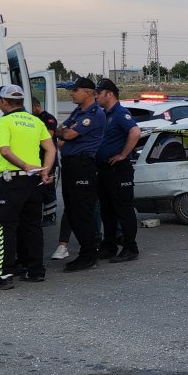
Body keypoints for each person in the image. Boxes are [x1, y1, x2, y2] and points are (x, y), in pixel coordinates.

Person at [0, 85, 56, 290]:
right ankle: (36, 270)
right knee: (32, 226)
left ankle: (3, 275)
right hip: (34, 181)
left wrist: (25, 165)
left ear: (5, 102)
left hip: (12, 180)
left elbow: (5, 151)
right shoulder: (35, 121)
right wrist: (45, 171)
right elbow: (50, 149)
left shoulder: (4, 121)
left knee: (4, 226)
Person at [57, 77, 106, 272]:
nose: (71, 93)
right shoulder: (79, 112)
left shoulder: (94, 114)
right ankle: (86, 252)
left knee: (82, 212)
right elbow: (62, 135)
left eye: (75, 90)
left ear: (88, 92)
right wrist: (64, 133)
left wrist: (64, 134)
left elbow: (66, 135)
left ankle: (89, 254)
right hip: (70, 165)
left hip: (83, 166)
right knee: (73, 211)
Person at [94, 78, 141, 262]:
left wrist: (123, 154)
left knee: (124, 210)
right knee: (107, 210)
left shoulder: (120, 113)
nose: (96, 96)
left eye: (99, 93)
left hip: (118, 169)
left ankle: (130, 247)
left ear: (109, 94)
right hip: (104, 169)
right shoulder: (104, 114)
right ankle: (109, 245)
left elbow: (135, 132)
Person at [32, 97, 60, 228]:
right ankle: (43, 215)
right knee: (39, 190)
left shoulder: (48, 118)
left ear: (36, 106)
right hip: (38, 159)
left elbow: (47, 137)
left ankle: (51, 216)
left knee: (48, 189)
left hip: (49, 160)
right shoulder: (34, 118)